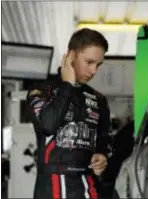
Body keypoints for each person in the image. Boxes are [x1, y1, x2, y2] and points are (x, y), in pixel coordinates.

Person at [26, 28, 111, 199]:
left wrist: (102, 156)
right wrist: (68, 86)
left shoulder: (98, 99)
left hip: (88, 186)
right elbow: (47, 125)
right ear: (71, 56)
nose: (94, 71)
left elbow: (103, 139)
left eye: (98, 64)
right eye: (89, 62)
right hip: (52, 186)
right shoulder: (41, 90)